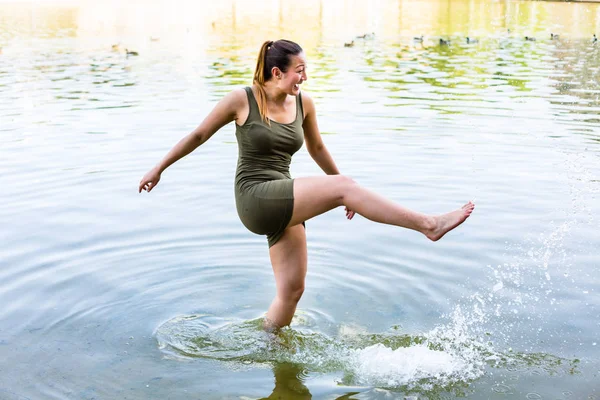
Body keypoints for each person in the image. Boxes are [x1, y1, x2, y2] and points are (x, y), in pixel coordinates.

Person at [138, 39, 475, 331]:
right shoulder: (241, 99)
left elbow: (317, 148)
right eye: (299, 69)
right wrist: (159, 168)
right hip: (255, 196)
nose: (305, 76)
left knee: (291, 292)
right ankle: (429, 225)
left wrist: (346, 192)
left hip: (285, 198)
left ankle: (269, 344)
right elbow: (198, 135)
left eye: (305, 69)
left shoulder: (304, 103)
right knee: (345, 186)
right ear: (277, 73)